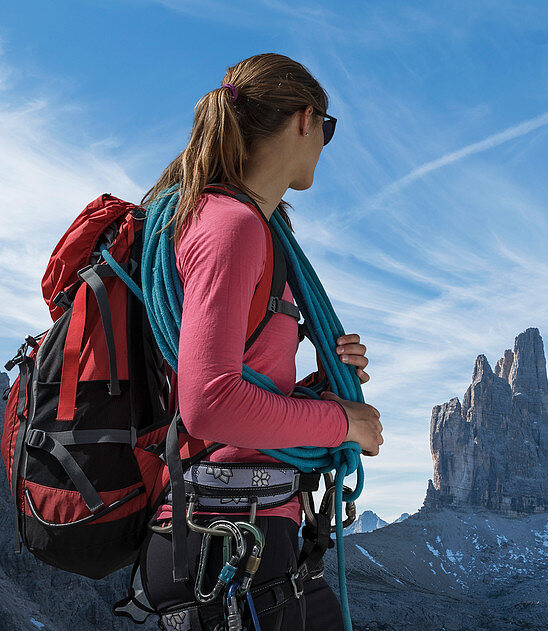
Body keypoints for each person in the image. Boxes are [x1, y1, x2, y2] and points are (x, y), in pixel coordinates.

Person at [135, 53, 384, 631]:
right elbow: (210, 402)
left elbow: (230, 381)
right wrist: (343, 422)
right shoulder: (233, 226)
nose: (325, 142)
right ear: (305, 120)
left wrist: (320, 388)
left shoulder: (230, 222)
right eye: (329, 127)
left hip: (240, 537)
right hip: (231, 542)